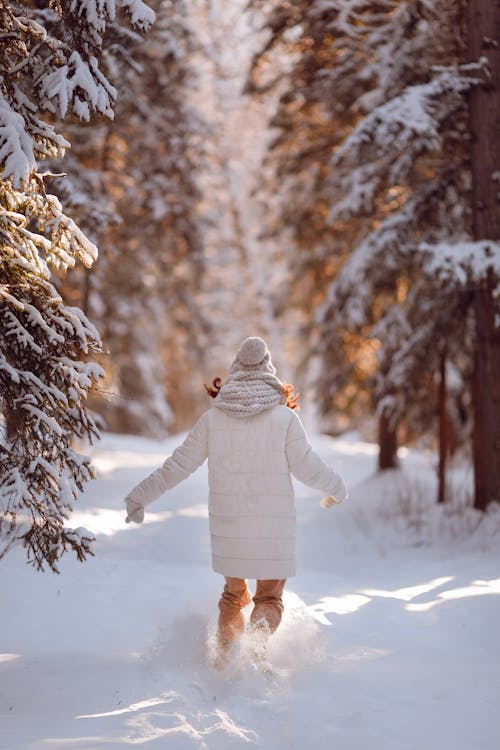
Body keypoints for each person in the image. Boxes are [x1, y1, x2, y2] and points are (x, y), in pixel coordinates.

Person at [124, 336, 348, 669]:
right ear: (268, 370)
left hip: (231, 529)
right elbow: (307, 467)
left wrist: (139, 496)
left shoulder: (213, 420)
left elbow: (178, 465)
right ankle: (257, 642)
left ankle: (225, 656)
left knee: (233, 596)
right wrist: (337, 487)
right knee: (269, 598)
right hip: (273, 529)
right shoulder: (285, 420)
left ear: (236, 370)